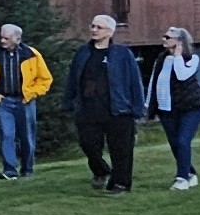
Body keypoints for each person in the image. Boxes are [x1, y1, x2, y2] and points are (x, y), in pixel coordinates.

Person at [63, 13, 147, 193]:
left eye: (98, 27)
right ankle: (100, 170)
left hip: (117, 109)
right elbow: (73, 79)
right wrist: (69, 101)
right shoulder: (83, 53)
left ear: (109, 32)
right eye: (92, 26)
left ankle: (120, 183)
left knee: (121, 149)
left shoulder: (123, 54)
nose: (93, 30)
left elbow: (134, 81)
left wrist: (138, 108)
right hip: (88, 109)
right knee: (88, 145)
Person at [0, 21, 53, 179]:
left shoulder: (32, 54)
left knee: (27, 137)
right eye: (1, 37)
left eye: (6, 38)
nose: (2, 41)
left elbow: (45, 79)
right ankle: (10, 170)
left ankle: (27, 170)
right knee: (7, 135)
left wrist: (30, 94)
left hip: (25, 102)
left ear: (17, 39)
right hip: (3, 101)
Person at [152, 25, 200, 191]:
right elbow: (155, 82)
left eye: (167, 37)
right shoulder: (161, 59)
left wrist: (177, 56)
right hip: (167, 108)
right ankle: (190, 173)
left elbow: (183, 75)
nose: (164, 39)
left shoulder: (192, 58)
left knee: (183, 141)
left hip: (190, 107)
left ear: (179, 41)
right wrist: (149, 104)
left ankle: (181, 179)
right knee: (175, 144)